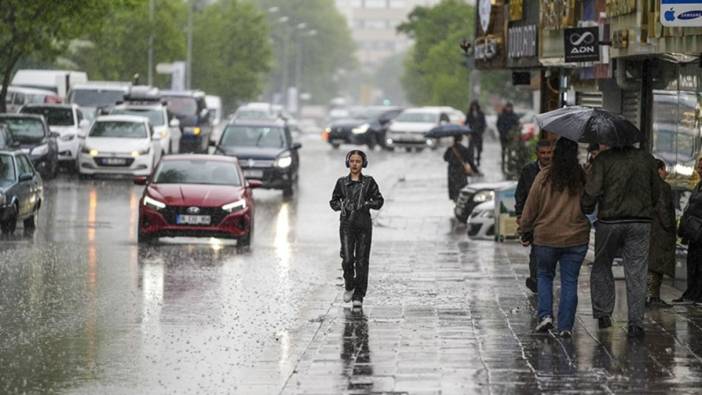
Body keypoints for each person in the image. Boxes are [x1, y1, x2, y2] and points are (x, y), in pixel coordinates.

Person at [582, 144, 660, 338]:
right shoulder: (647, 158)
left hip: (610, 221)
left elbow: (592, 191)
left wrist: (587, 206)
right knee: (637, 271)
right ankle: (635, 323)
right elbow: (657, 190)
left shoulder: (603, 159)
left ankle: (603, 313)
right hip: (640, 221)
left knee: (602, 264)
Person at [519, 138, 590, 337]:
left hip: (546, 237)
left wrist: (525, 229)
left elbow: (530, 206)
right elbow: (591, 202)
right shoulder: (582, 176)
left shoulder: (544, 176)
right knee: (569, 281)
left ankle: (545, 316)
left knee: (545, 276)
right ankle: (566, 326)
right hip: (576, 237)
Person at [329, 150, 384, 307]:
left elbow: (379, 200)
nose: (354, 164)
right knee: (347, 259)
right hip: (346, 224)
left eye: (358, 161)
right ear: (348, 163)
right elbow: (333, 201)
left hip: (364, 225)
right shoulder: (341, 182)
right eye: (352, 161)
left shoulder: (369, 182)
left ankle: (359, 295)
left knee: (361, 261)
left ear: (363, 164)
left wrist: (367, 204)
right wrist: (341, 206)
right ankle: (349, 285)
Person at [515, 140, 553, 293]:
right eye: (543, 153)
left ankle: (541, 279)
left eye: (549, 153)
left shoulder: (558, 172)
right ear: (537, 154)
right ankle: (536, 279)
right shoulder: (528, 170)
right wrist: (520, 215)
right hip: (535, 220)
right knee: (536, 251)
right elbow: (521, 195)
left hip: (553, 218)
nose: (546, 156)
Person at [647, 159, 675, 308]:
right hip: (660, 231)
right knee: (657, 265)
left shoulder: (647, 185)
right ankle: (653, 297)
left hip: (651, 230)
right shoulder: (663, 187)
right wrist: (670, 226)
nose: (666, 172)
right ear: (658, 170)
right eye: (664, 169)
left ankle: (649, 296)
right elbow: (663, 208)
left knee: (652, 264)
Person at [674, 156, 702, 305]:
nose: (699, 169)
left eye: (701, 167)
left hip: (699, 230)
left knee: (699, 264)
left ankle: (698, 295)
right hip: (694, 231)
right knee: (693, 263)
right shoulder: (698, 185)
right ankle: (691, 293)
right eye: (698, 166)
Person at [443, 135, 476, 202]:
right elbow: (469, 159)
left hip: (452, 171)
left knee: (454, 187)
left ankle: (455, 200)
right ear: (461, 139)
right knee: (462, 187)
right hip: (460, 171)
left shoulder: (450, 149)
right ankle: (461, 201)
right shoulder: (463, 149)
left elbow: (445, 158)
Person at [496, 102, 520, 171]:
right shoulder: (501, 115)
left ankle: (509, 164)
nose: (509, 109)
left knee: (510, 151)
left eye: (510, 107)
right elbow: (498, 124)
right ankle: (503, 163)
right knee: (503, 150)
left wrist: (514, 133)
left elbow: (517, 124)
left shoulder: (514, 116)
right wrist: (501, 132)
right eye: (508, 107)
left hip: (511, 136)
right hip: (503, 136)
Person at [465, 101, 486, 167]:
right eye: (473, 106)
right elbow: (466, 123)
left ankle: (478, 160)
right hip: (471, 133)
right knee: (471, 149)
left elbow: (484, 123)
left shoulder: (481, 114)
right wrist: (468, 133)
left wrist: (481, 131)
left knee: (479, 148)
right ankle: (471, 162)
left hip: (479, 133)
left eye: (475, 106)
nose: (474, 107)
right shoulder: (469, 114)